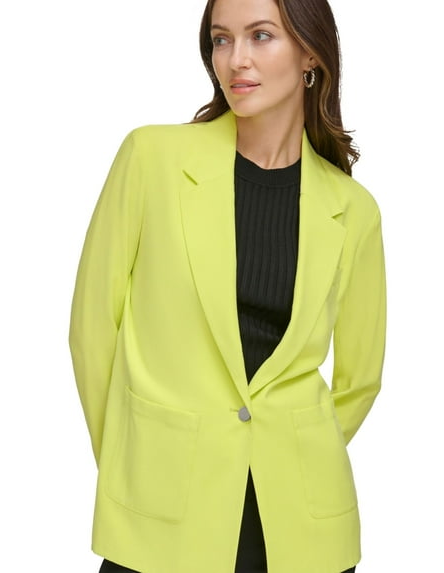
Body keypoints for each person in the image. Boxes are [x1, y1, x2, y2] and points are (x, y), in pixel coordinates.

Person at [69, 0, 386, 571]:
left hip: (303, 528)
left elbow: (359, 379)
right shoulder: (152, 159)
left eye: (260, 36)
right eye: (221, 39)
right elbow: (93, 331)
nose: (235, 59)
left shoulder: (353, 209)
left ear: (310, 54)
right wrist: (133, 464)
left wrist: (280, 454)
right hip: (162, 511)